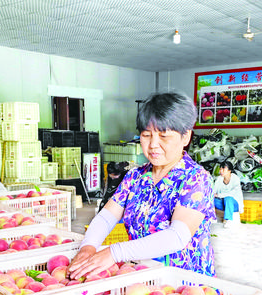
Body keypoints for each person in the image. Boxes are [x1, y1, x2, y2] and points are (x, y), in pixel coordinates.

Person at [68, 90, 217, 278]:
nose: (153, 144)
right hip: (141, 280)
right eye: (146, 135)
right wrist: (88, 247)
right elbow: (106, 217)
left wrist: (115, 252)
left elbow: (177, 237)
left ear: (185, 137)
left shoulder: (195, 179)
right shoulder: (135, 177)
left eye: (164, 136)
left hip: (184, 289)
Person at [213, 160, 244, 228]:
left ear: (229, 170)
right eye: (220, 169)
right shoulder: (219, 179)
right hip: (223, 204)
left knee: (228, 198)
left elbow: (232, 193)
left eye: (224, 169)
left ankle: (229, 220)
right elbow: (214, 191)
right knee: (210, 198)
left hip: (234, 205)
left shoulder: (235, 179)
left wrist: (219, 195)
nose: (221, 171)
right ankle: (211, 217)